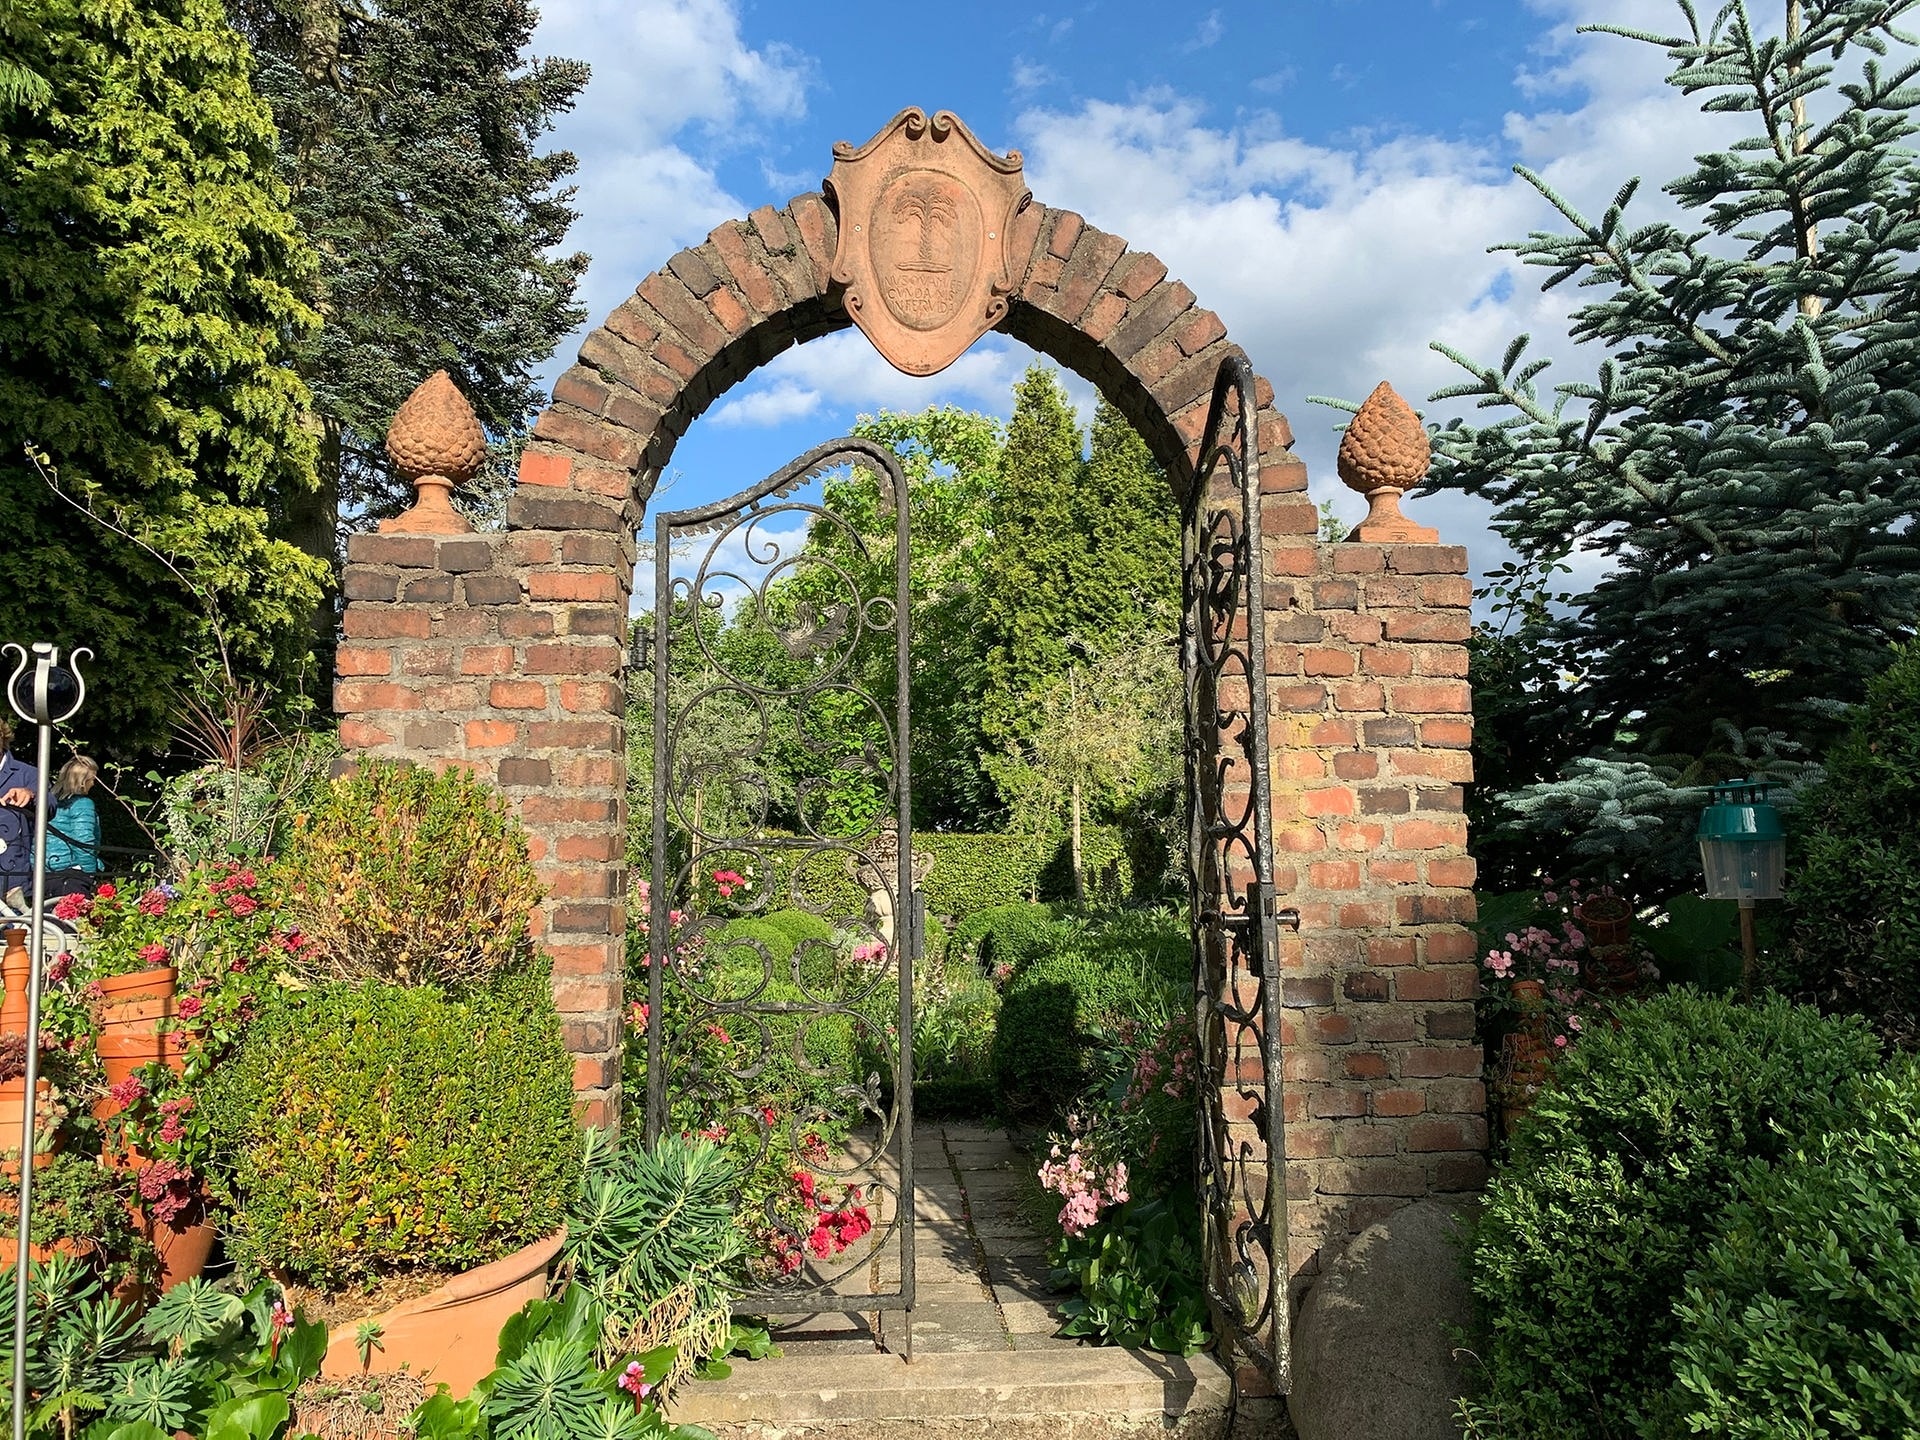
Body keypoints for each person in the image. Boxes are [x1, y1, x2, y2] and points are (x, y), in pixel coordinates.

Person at [44, 756, 102, 896]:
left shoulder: (48, 802)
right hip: (72, 872)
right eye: (92, 779)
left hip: (45, 871)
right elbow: (83, 840)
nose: (93, 783)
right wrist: (90, 873)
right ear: (82, 782)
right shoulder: (82, 804)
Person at [0, 718, 38, 903]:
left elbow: (51, 805)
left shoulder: (27, 773)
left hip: (12, 882)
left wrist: (30, 795)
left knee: (16, 931)